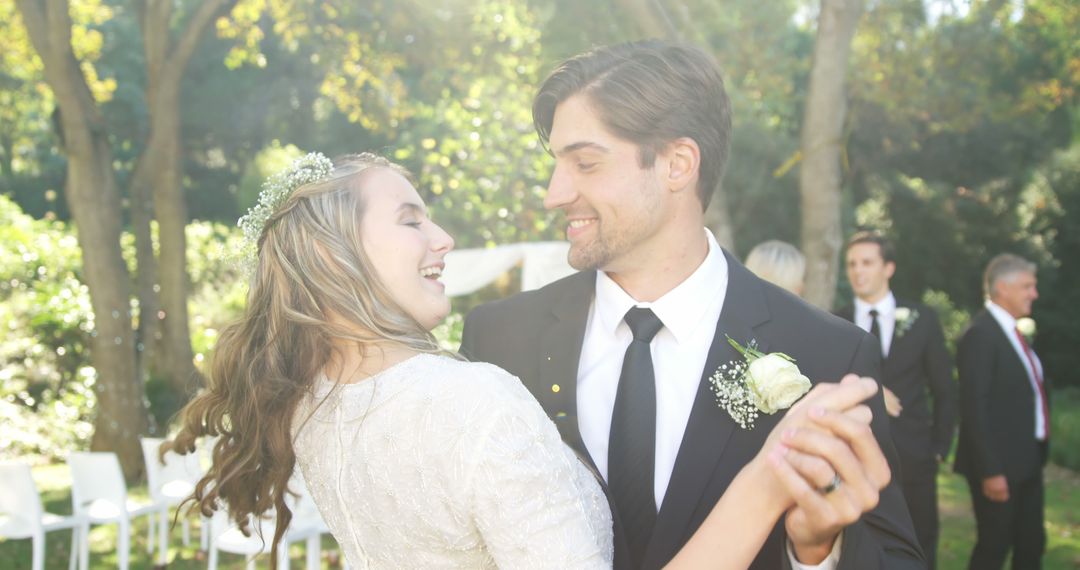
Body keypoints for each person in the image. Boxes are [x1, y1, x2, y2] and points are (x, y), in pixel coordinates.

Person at [167, 152, 891, 570]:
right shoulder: (475, 403)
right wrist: (768, 478)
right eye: (410, 217)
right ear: (332, 255)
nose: (443, 236)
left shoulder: (314, 405)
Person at [460, 40, 923, 570]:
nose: (553, 193)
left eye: (585, 163)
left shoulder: (828, 354)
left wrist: (817, 550)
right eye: (556, 165)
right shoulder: (498, 339)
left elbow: (897, 557)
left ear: (678, 165)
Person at [835, 231, 955, 569]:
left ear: (889, 268)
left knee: (921, 540)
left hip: (915, 455)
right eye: (852, 264)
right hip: (853, 458)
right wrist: (871, 389)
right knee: (858, 545)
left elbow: (944, 388)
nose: (859, 271)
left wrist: (938, 448)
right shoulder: (835, 320)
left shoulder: (923, 319)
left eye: (868, 263)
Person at [955, 253, 1049, 569]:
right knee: (994, 548)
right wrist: (990, 470)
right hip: (999, 467)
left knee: (1031, 543)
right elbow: (973, 406)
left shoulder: (1013, 333)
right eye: (1027, 286)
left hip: (1027, 461)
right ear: (1002, 288)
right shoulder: (980, 334)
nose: (1034, 294)